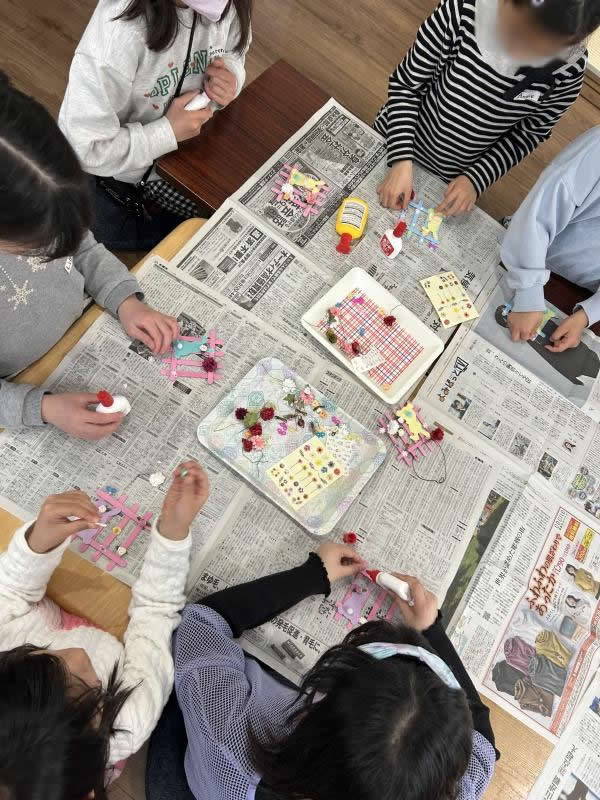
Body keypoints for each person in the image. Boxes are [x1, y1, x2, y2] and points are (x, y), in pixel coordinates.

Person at [146, 554, 498, 800]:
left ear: (313, 715)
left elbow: (204, 620)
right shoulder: (454, 787)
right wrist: (430, 630)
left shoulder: (229, 733)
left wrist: (312, 575)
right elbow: (482, 737)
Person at [0, 461, 208, 800]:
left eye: (41, 658)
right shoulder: (130, 719)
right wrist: (173, 532)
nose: (77, 655)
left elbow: (9, 590)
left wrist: (38, 542)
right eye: (90, 691)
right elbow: (155, 613)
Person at [0, 73, 178, 436]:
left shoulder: (36, 200)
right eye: (39, 243)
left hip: (82, 330)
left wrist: (125, 300)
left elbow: (82, 246)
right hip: (22, 390)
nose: (55, 247)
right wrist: (42, 407)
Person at [59, 0, 252, 251]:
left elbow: (235, 48)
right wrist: (167, 132)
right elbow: (84, 147)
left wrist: (232, 76)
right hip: (129, 175)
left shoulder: (228, 5)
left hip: (194, 146)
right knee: (229, 228)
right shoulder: (119, 35)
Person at [375, 0, 596, 216]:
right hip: (395, 141)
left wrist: (475, 179)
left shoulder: (569, 70)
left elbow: (528, 134)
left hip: (452, 176)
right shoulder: (463, 9)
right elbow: (406, 84)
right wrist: (401, 158)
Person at [501, 126, 600, 350]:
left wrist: (587, 314)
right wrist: (529, 293)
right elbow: (538, 214)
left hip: (582, 295)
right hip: (528, 258)